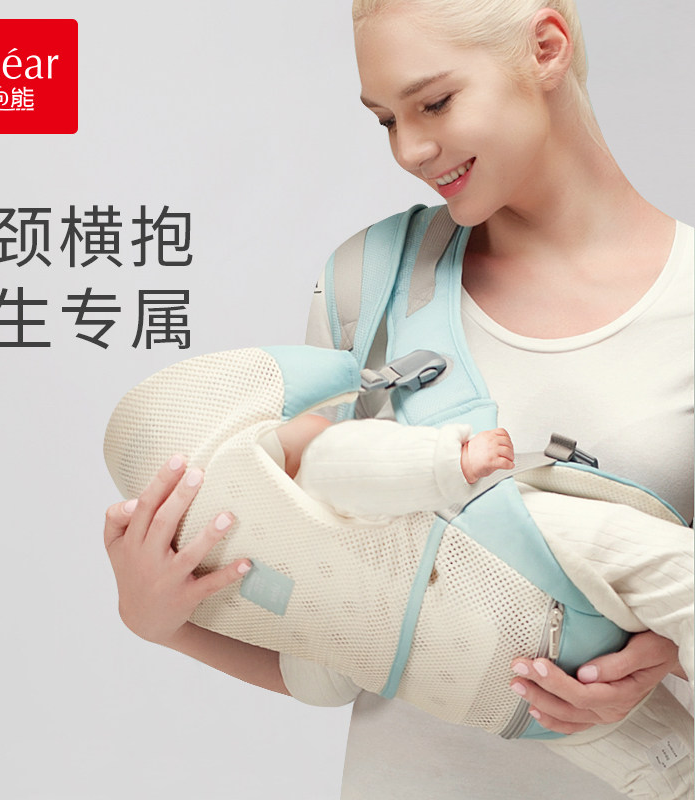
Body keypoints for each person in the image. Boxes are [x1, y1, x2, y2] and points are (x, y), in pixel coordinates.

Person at [104, 1, 693, 797]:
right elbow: (341, 643)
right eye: (385, 119)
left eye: (435, 102)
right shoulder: (369, 285)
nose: (410, 149)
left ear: (547, 48)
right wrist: (158, 622)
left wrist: (665, 653)